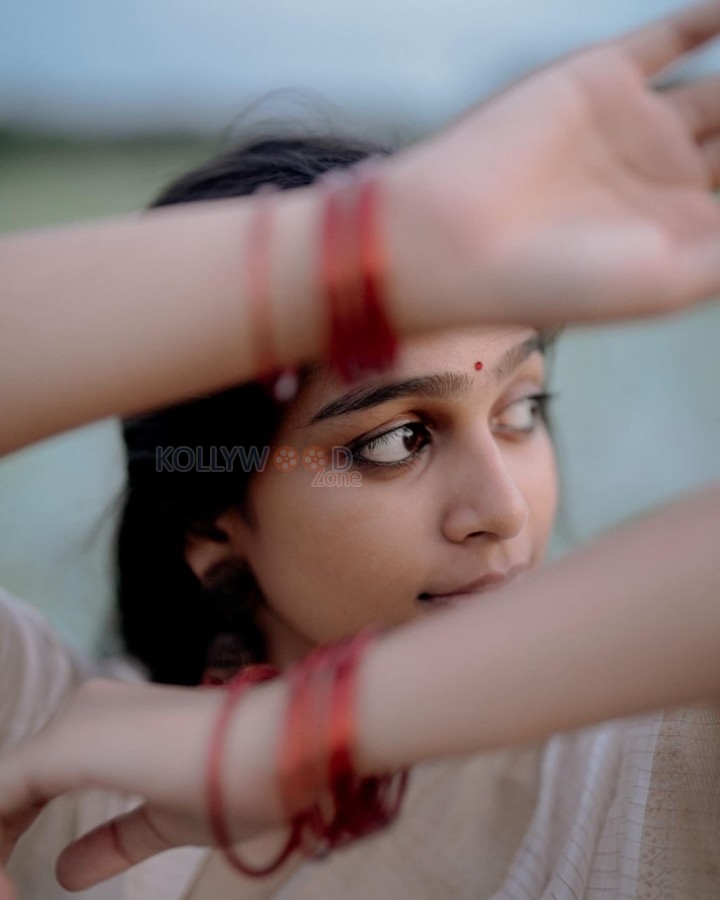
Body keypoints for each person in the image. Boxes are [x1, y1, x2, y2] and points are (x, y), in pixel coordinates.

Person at [0, 3, 719, 898]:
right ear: (212, 523)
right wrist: (359, 249)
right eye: (396, 440)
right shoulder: (41, 754)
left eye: (521, 410)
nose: (502, 511)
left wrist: (306, 735)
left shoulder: (641, 777)